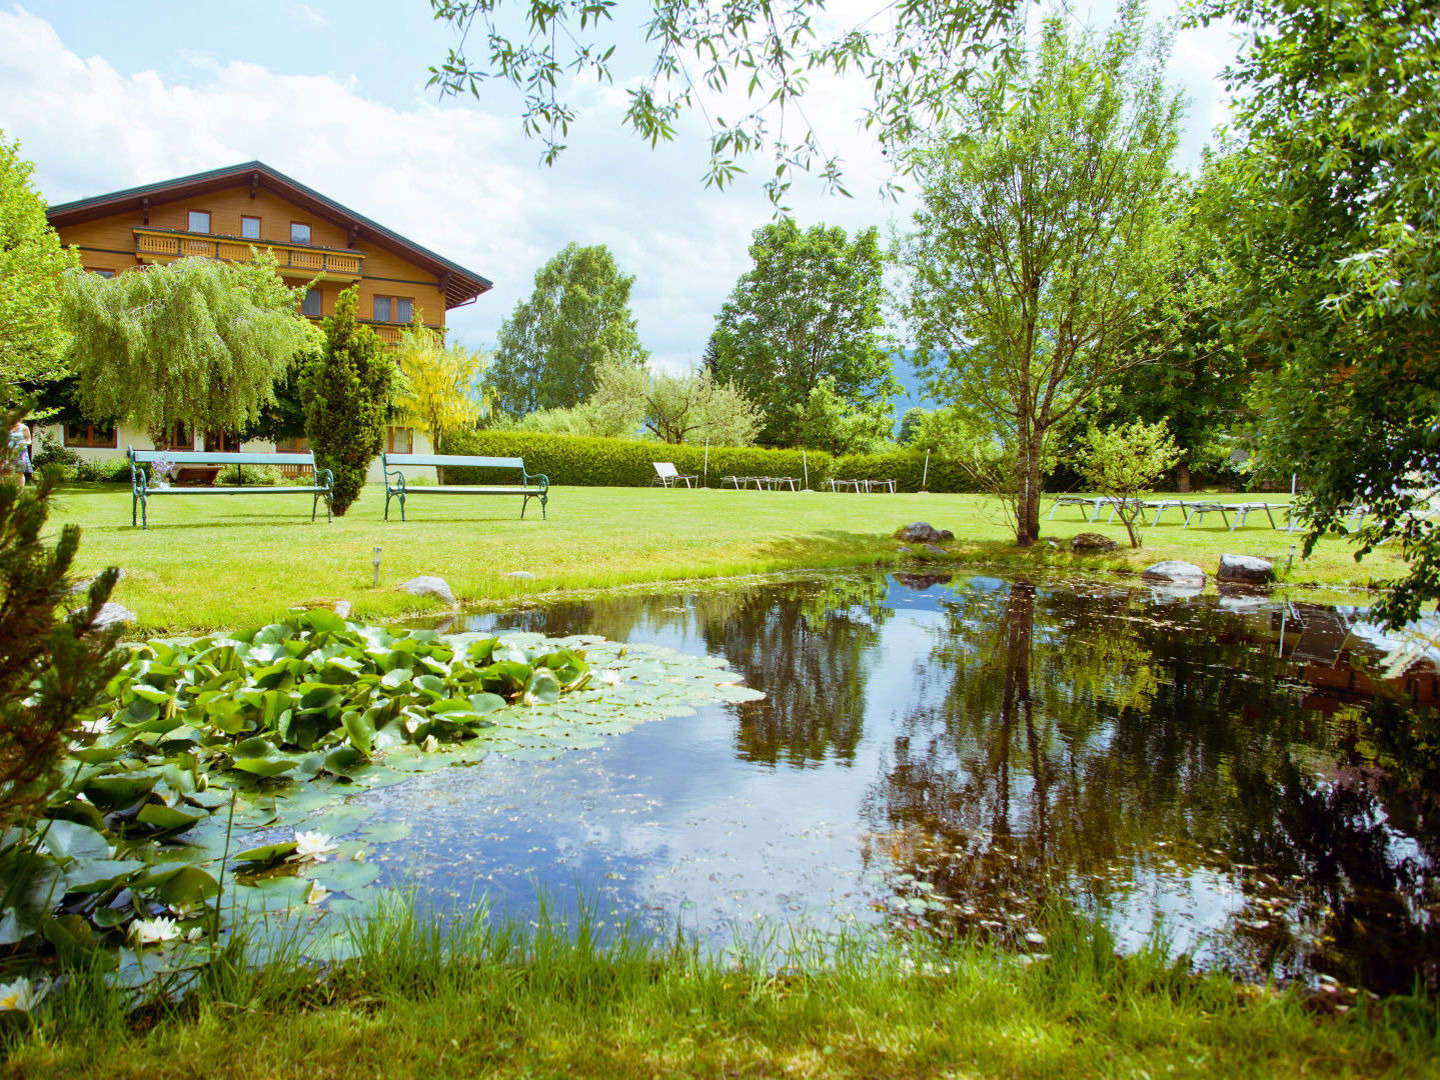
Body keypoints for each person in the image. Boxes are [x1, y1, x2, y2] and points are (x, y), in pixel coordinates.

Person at [7, 419, 31, 488]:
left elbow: (29, 440)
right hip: (9, 452)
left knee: (20, 472)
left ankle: (20, 491)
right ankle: (6, 490)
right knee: (5, 472)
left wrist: (24, 443)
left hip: (21, 453)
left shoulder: (24, 428)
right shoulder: (7, 427)